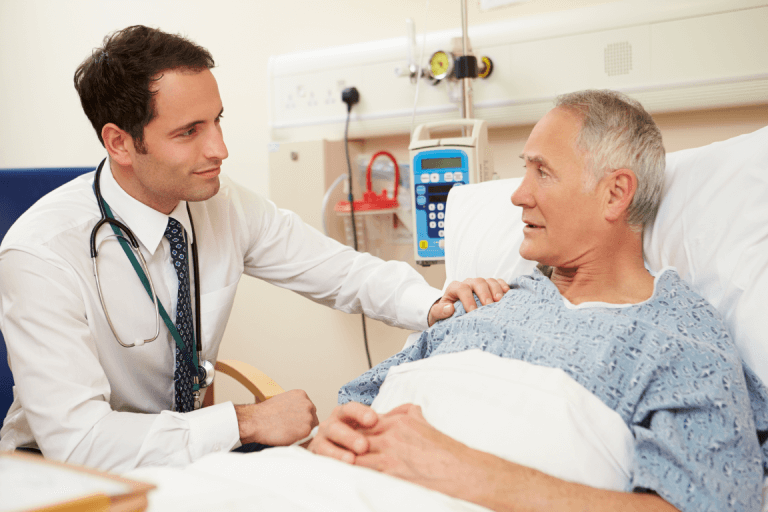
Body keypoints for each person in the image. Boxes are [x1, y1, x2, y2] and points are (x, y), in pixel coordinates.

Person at [0, 25, 507, 472]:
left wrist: (432, 303)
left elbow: (339, 270)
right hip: (61, 476)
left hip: (186, 461)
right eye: (189, 132)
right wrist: (244, 422)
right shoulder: (41, 255)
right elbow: (80, 443)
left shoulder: (221, 204)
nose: (219, 149)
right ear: (119, 143)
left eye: (217, 120)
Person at [307, 90, 768, 512]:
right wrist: (330, 435)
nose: (517, 194)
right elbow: (352, 412)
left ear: (615, 193)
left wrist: (461, 471)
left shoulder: (681, 340)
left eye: (542, 171)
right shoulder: (485, 300)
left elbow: (706, 504)